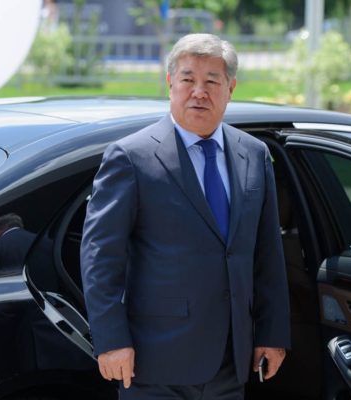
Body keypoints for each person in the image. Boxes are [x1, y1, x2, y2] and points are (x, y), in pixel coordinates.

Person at [80, 33, 290, 399]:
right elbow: (100, 256)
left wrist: (272, 334)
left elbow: (267, 253)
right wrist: (111, 341)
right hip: (155, 361)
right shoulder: (131, 157)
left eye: (212, 82)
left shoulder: (254, 154)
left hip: (231, 360)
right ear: (170, 83)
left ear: (231, 88)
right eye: (188, 79)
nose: (199, 92)